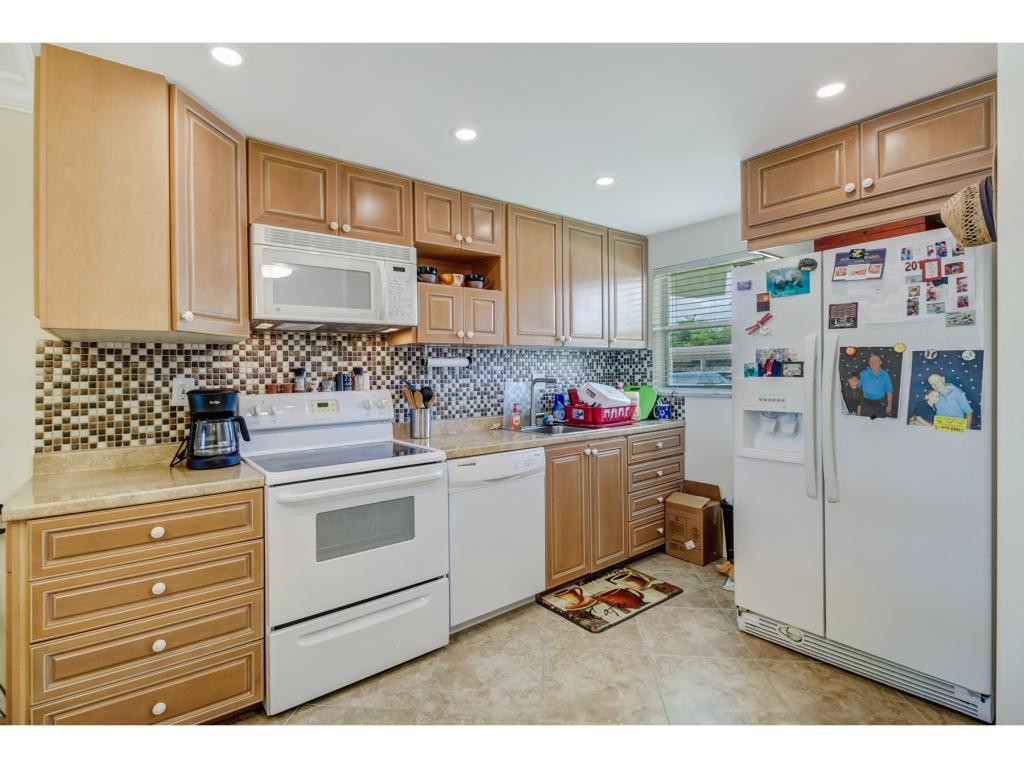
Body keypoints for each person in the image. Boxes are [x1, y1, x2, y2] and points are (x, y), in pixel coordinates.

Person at [858, 354, 894, 419]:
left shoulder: (885, 375)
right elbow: (857, 386)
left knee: (877, 421)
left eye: (876, 361)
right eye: (871, 361)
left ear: (880, 362)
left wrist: (889, 406)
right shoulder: (863, 373)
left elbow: (889, 391)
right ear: (869, 363)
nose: (873, 363)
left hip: (880, 402)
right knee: (865, 421)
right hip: (866, 402)